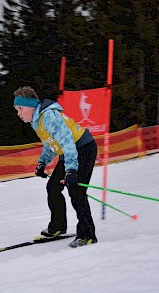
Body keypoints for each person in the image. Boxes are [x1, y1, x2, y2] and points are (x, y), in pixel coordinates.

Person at [13, 86, 98, 248]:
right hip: (69, 152)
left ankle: (87, 234)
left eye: (20, 109)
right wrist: (42, 162)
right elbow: (50, 143)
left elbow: (67, 141)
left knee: (76, 190)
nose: (18, 113)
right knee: (53, 187)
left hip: (83, 148)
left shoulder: (49, 116)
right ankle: (58, 226)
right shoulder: (37, 121)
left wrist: (71, 170)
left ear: (31, 106)